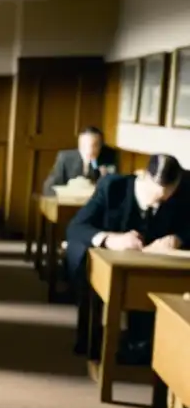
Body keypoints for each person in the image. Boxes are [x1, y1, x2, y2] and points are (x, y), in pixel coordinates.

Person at [67, 154, 190, 361]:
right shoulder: (113, 187)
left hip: (158, 266)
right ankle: (97, 342)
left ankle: (146, 348)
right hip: (114, 263)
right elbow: (76, 227)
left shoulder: (185, 189)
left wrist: (178, 238)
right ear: (144, 177)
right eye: (156, 195)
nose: (160, 201)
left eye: (165, 197)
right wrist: (109, 239)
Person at [42, 126, 117, 195]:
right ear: (79, 145)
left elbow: (114, 189)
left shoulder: (109, 157)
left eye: (95, 145)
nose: (89, 151)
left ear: (101, 146)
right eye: (84, 146)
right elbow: (48, 188)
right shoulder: (65, 158)